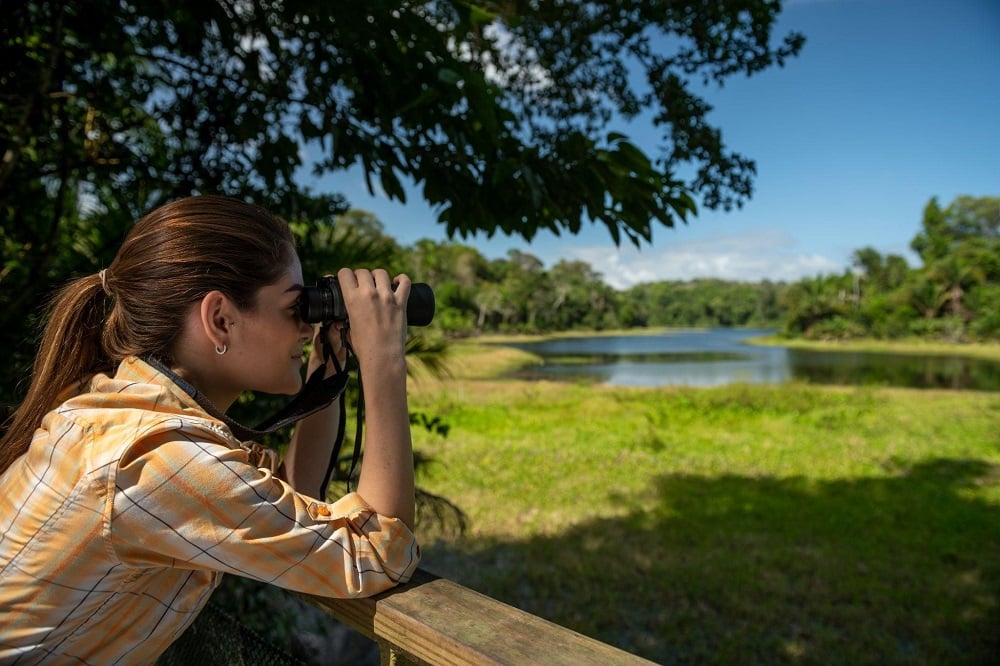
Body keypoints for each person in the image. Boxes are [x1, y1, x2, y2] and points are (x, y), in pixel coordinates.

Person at [0, 195, 420, 663]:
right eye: (294, 308)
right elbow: (379, 555)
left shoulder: (115, 411)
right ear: (220, 319)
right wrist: (385, 360)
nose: (305, 329)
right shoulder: (154, 457)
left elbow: (295, 499)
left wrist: (330, 361)